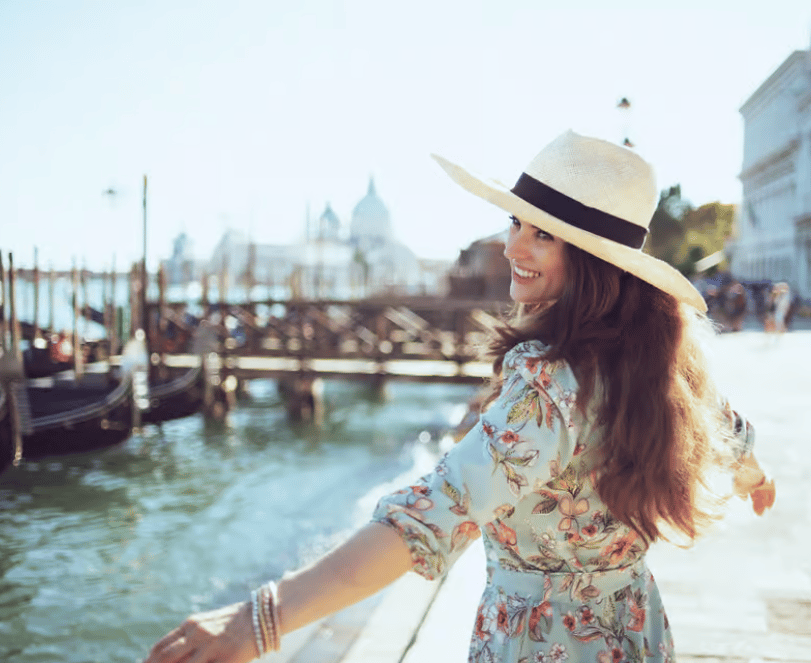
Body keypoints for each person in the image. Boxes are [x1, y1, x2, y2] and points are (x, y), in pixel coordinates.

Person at [144, 131, 775, 663]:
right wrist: (756, 478)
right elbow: (727, 429)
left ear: (593, 261)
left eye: (543, 237)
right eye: (515, 222)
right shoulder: (661, 358)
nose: (512, 246)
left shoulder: (551, 389)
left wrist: (261, 621)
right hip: (634, 632)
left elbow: (428, 515)